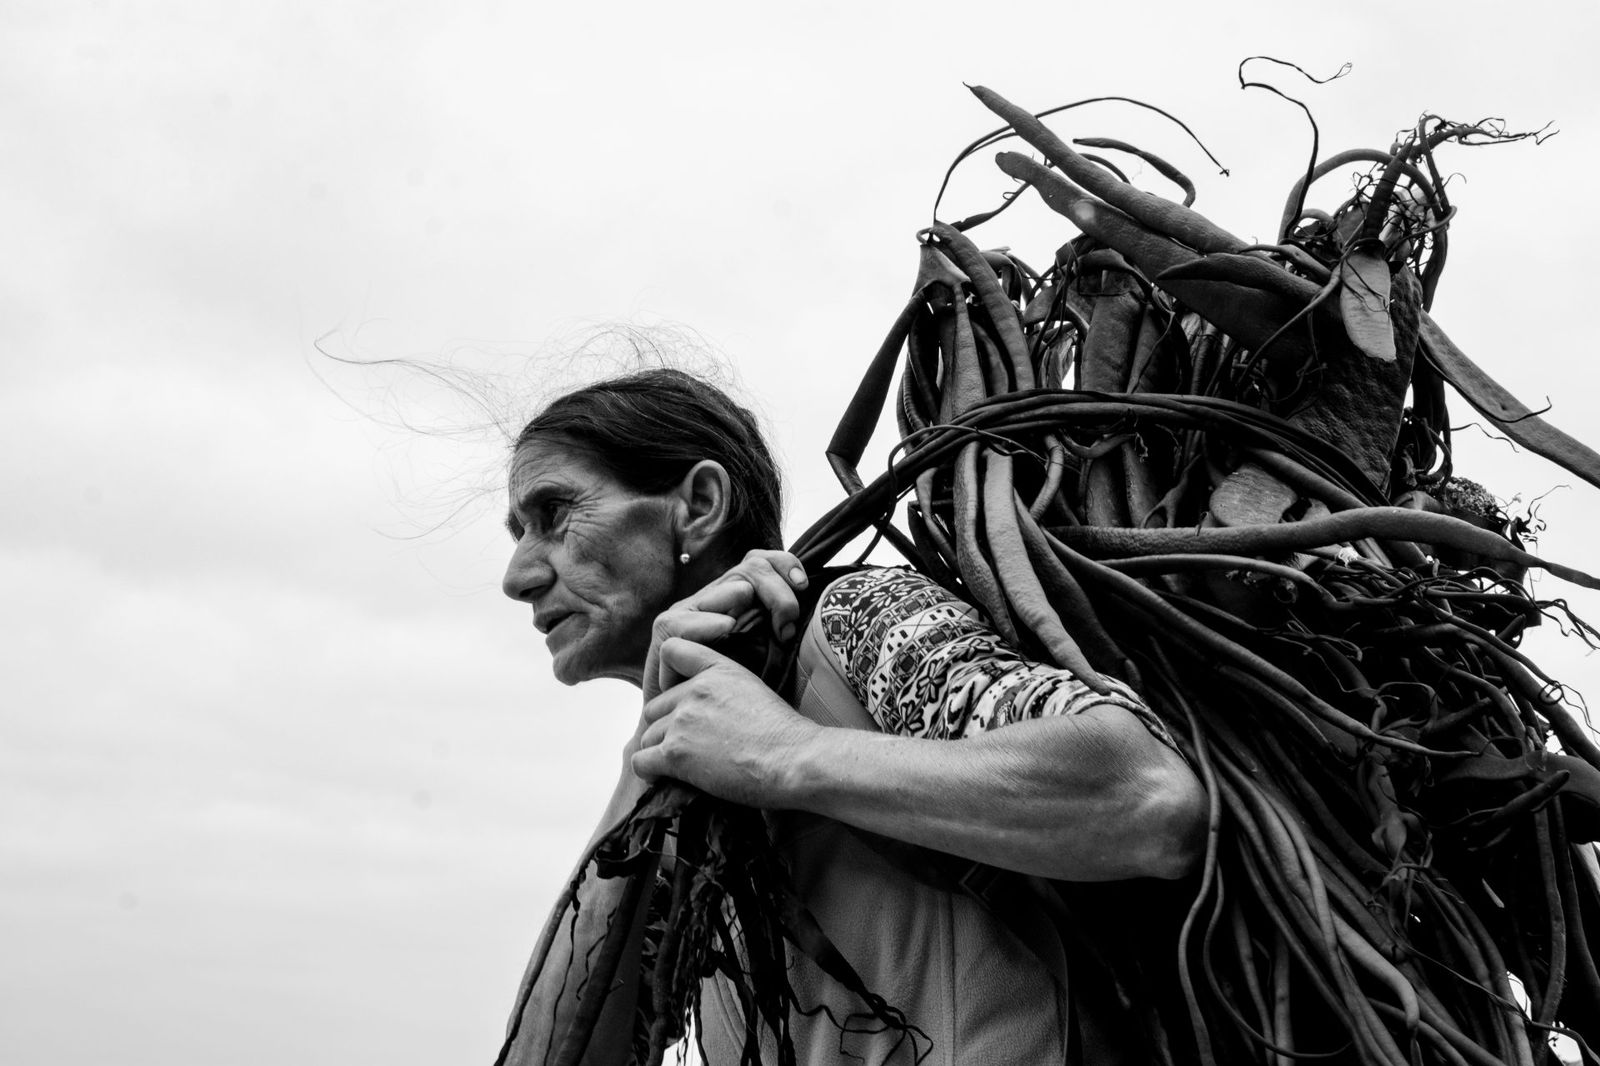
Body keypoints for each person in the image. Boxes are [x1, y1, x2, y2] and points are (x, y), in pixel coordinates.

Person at [497, 367, 1207, 1065]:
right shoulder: (672, 790)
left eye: (554, 515)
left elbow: (1150, 798)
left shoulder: (855, 620)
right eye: (517, 533)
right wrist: (644, 759)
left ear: (700, 504)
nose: (518, 574)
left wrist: (784, 755)